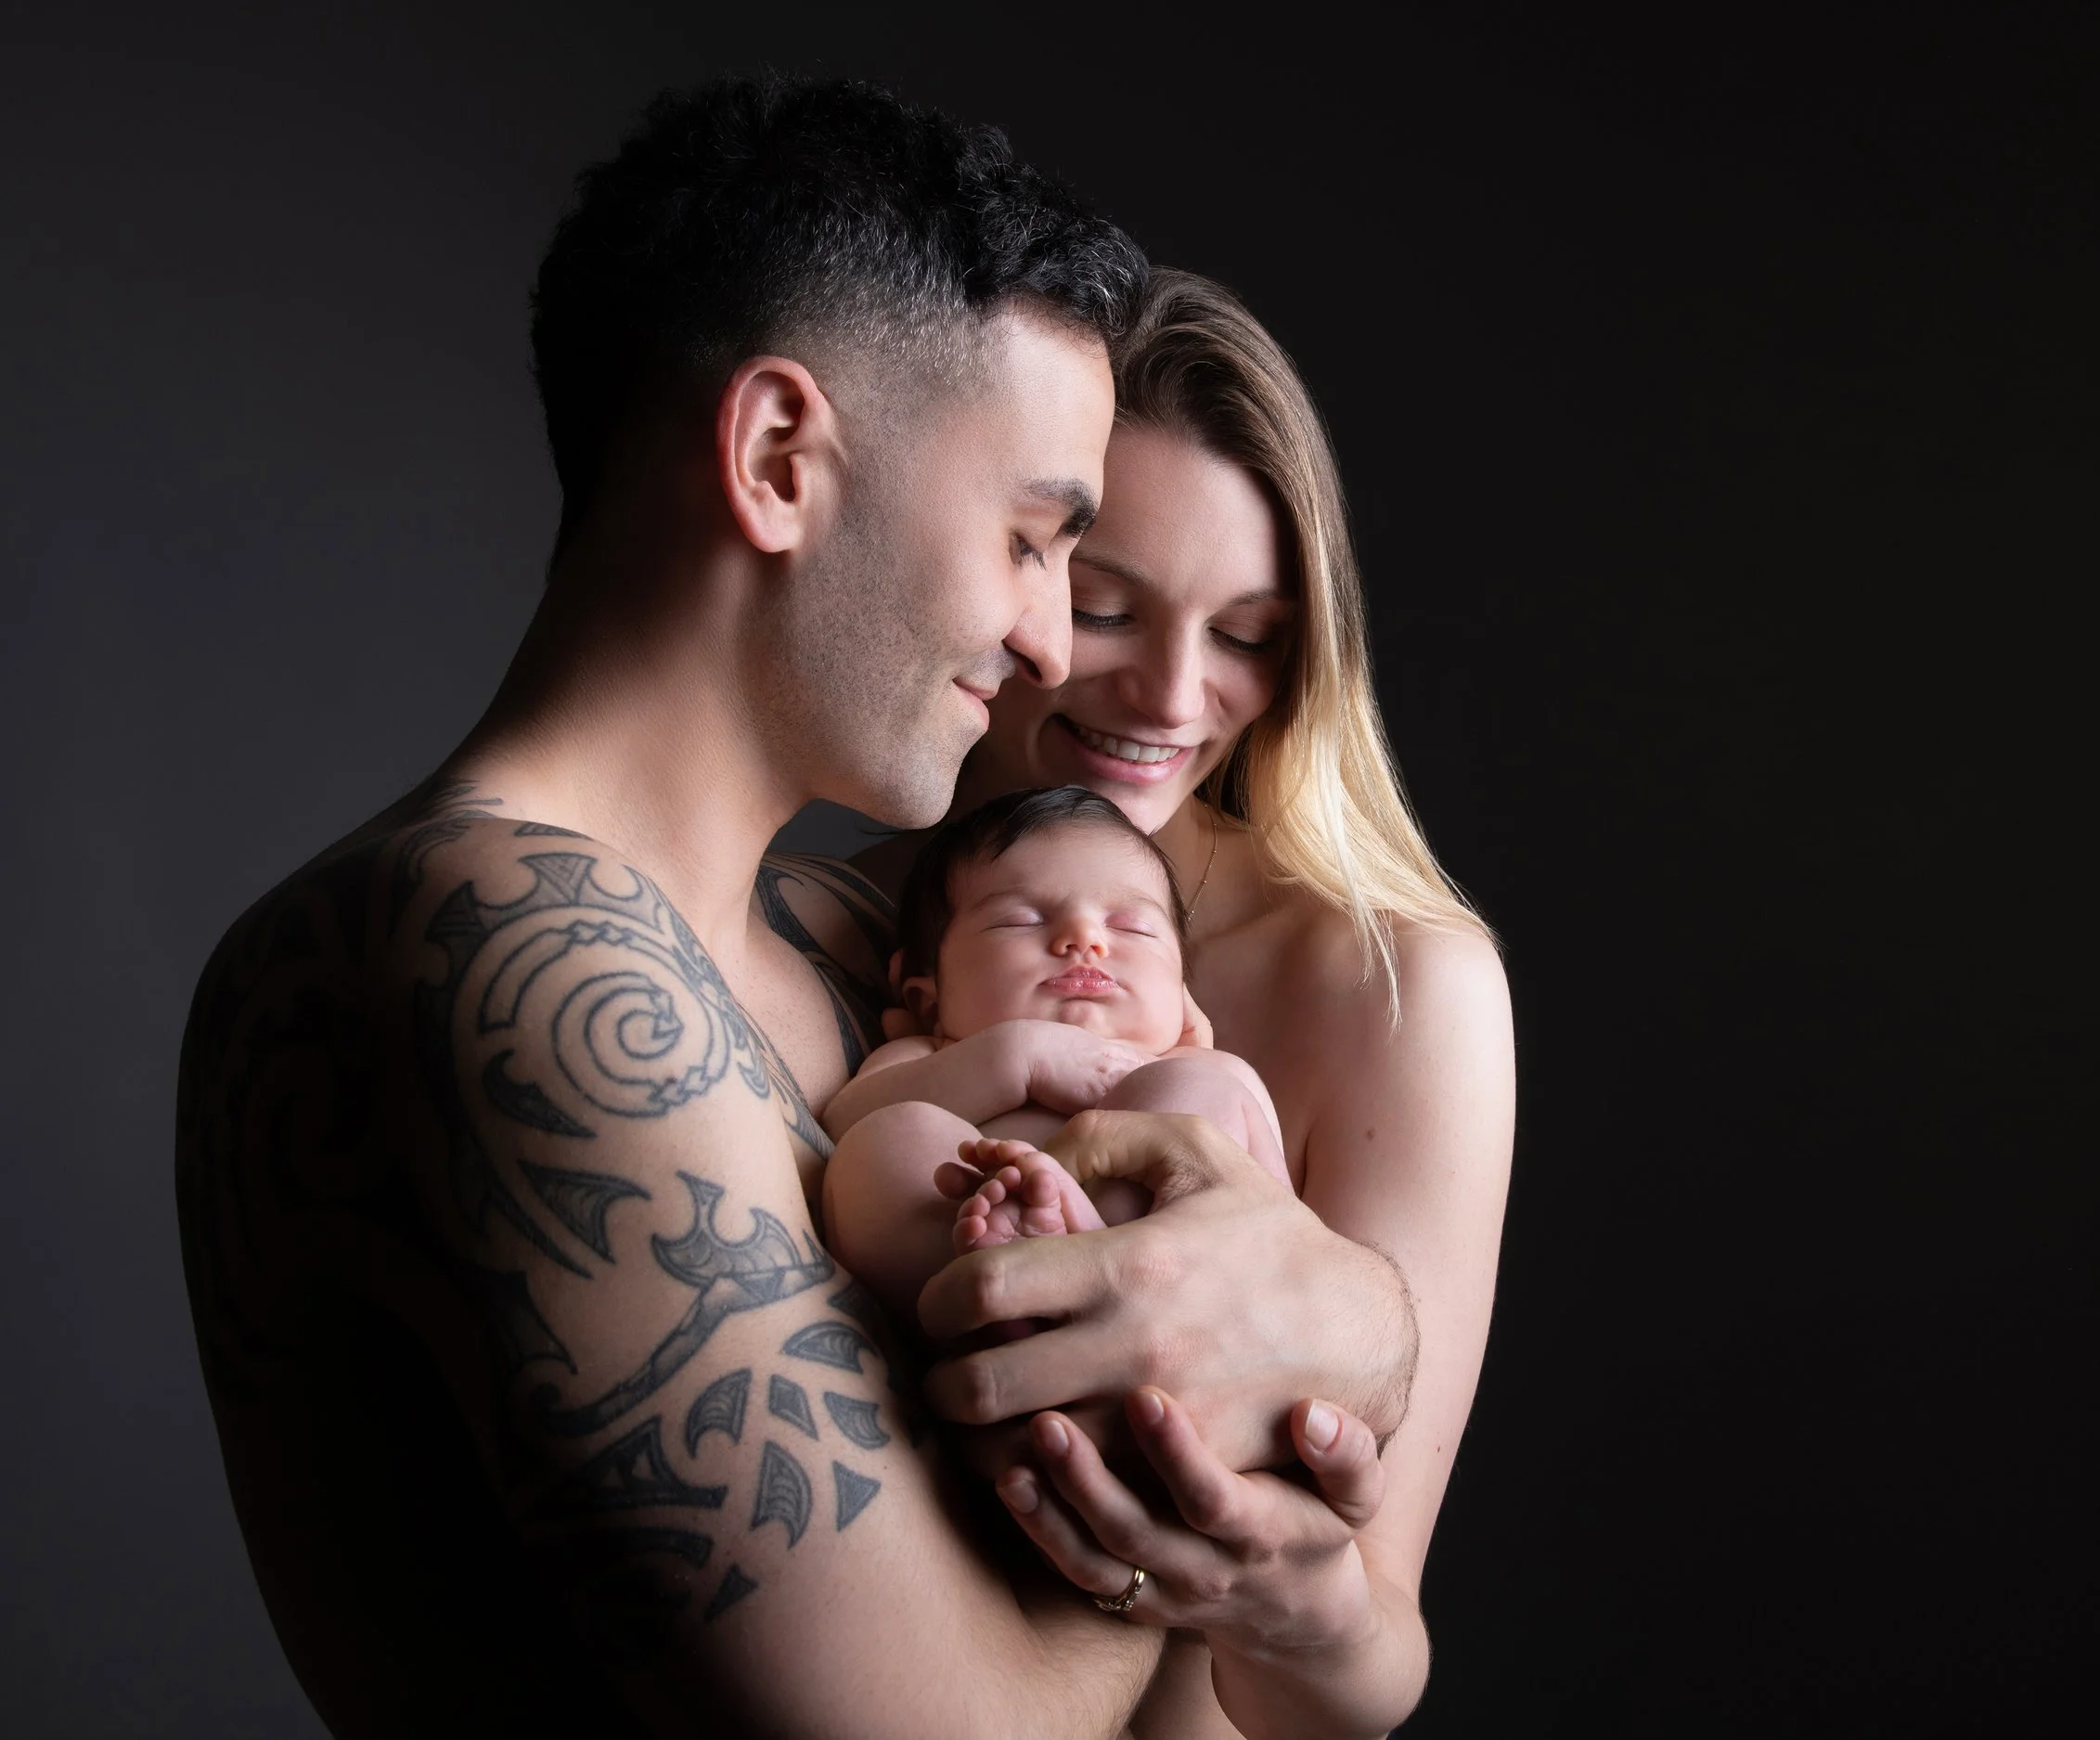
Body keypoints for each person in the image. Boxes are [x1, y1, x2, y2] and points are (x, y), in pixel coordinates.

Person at [175, 75, 1420, 1739]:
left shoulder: (850, 949)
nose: (1052, 642)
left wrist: (1359, 1317)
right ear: (778, 459)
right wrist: (1228, 1412)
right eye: (1030, 537)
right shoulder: (492, 946)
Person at [853, 267, 1517, 1737]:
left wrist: (1301, 1595)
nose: (1169, 696)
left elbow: (1362, 1681)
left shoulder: (1399, 981)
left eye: (1247, 632)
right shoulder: (849, 924)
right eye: (1106, 607)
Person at [820, 784, 1291, 1322]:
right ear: (928, 1002)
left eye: (1133, 927)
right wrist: (1019, 1057)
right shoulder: (933, 1053)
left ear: (1181, 991)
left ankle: (1105, 1274)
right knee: (888, 1137)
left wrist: (1192, 1076)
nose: (1084, 937)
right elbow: (844, 1124)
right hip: (972, 1267)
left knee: (1204, 1092)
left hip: (1184, 1302)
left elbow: (1281, 1217)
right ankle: (1000, 1298)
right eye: (1020, 920)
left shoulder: (1198, 1066)